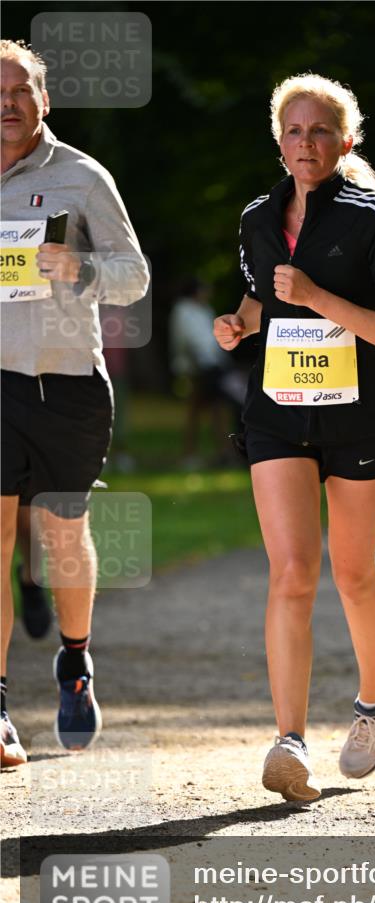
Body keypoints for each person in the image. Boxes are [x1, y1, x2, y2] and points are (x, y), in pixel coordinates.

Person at [213, 73, 375, 802]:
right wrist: (239, 323)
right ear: (279, 141)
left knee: (352, 572)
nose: (307, 142)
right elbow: (261, 296)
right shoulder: (257, 217)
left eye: (321, 130)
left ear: (345, 141)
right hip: (277, 411)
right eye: (294, 131)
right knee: (291, 572)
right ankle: (289, 742)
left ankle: (371, 705)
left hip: (358, 412)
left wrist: (318, 296)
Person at [0, 40, 150, 766]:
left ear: (43, 100)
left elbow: (134, 276)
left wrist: (79, 264)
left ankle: (76, 660)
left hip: (67, 386)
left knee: (61, 536)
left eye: (19, 90)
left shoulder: (82, 177)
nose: (6, 102)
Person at [169, 278, 244, 469]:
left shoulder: (205, 310)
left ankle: (224, 452)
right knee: (195, 411)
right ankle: (189, 454)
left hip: (214, 366)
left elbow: (212, 340)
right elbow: (187, 340)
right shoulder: (183, 310)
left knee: (217, 410)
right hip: (195, 369)